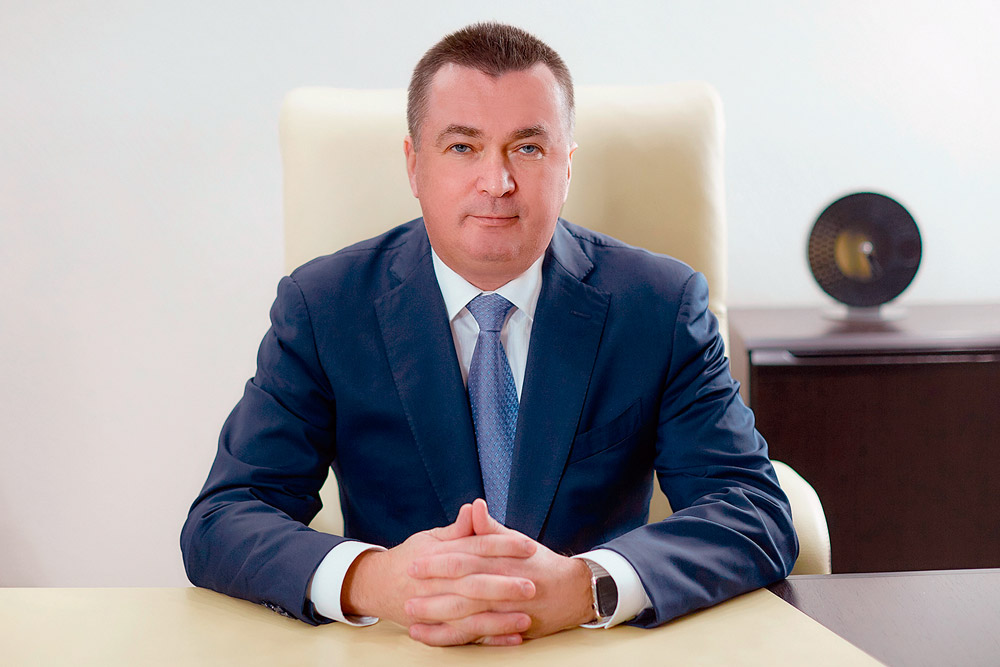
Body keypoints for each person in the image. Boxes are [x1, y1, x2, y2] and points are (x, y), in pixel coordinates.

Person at [181, 22, 797, 647]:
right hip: (401, 649)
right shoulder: (324, 306)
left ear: (567, 166)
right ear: (414, 165)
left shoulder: (659, 305)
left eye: (527, 148)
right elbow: (224, 518)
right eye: (462, 147)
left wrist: (586, 587)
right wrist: (376, 581)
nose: (497, 182)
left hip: (590, 647)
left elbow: (752, 509)